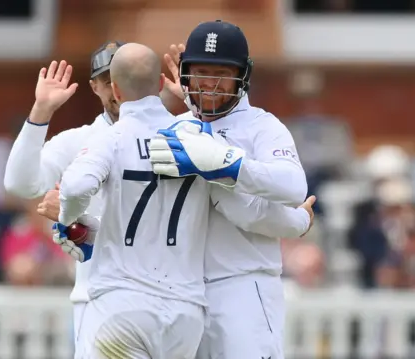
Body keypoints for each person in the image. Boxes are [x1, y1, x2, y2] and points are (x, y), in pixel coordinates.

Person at [56, 43, 315, 359]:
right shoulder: (194, 139)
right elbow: (245, 211)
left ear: (116, 90)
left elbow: (75, 186)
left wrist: (69, 218)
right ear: (161, 84)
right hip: (185, 312)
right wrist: (299, 221)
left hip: (122, 303)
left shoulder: (111, 138)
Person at [149, 20, 309, 358]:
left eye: (220, 74)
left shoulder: (262, 126)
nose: (208, 84)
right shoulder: (175, 129)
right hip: (181, 293)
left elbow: (293, 186)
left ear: (242, 77)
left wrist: (227, 165)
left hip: (244, 286)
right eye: (200, 72)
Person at [3, 41, 123, 353]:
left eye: (124, 76)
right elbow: (19, 183)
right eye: (108, 80)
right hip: (97, 297)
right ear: (94, 87)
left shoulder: (170, 135)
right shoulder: (77, 141)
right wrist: (41, 111)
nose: (117, 88)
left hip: (168, 298)